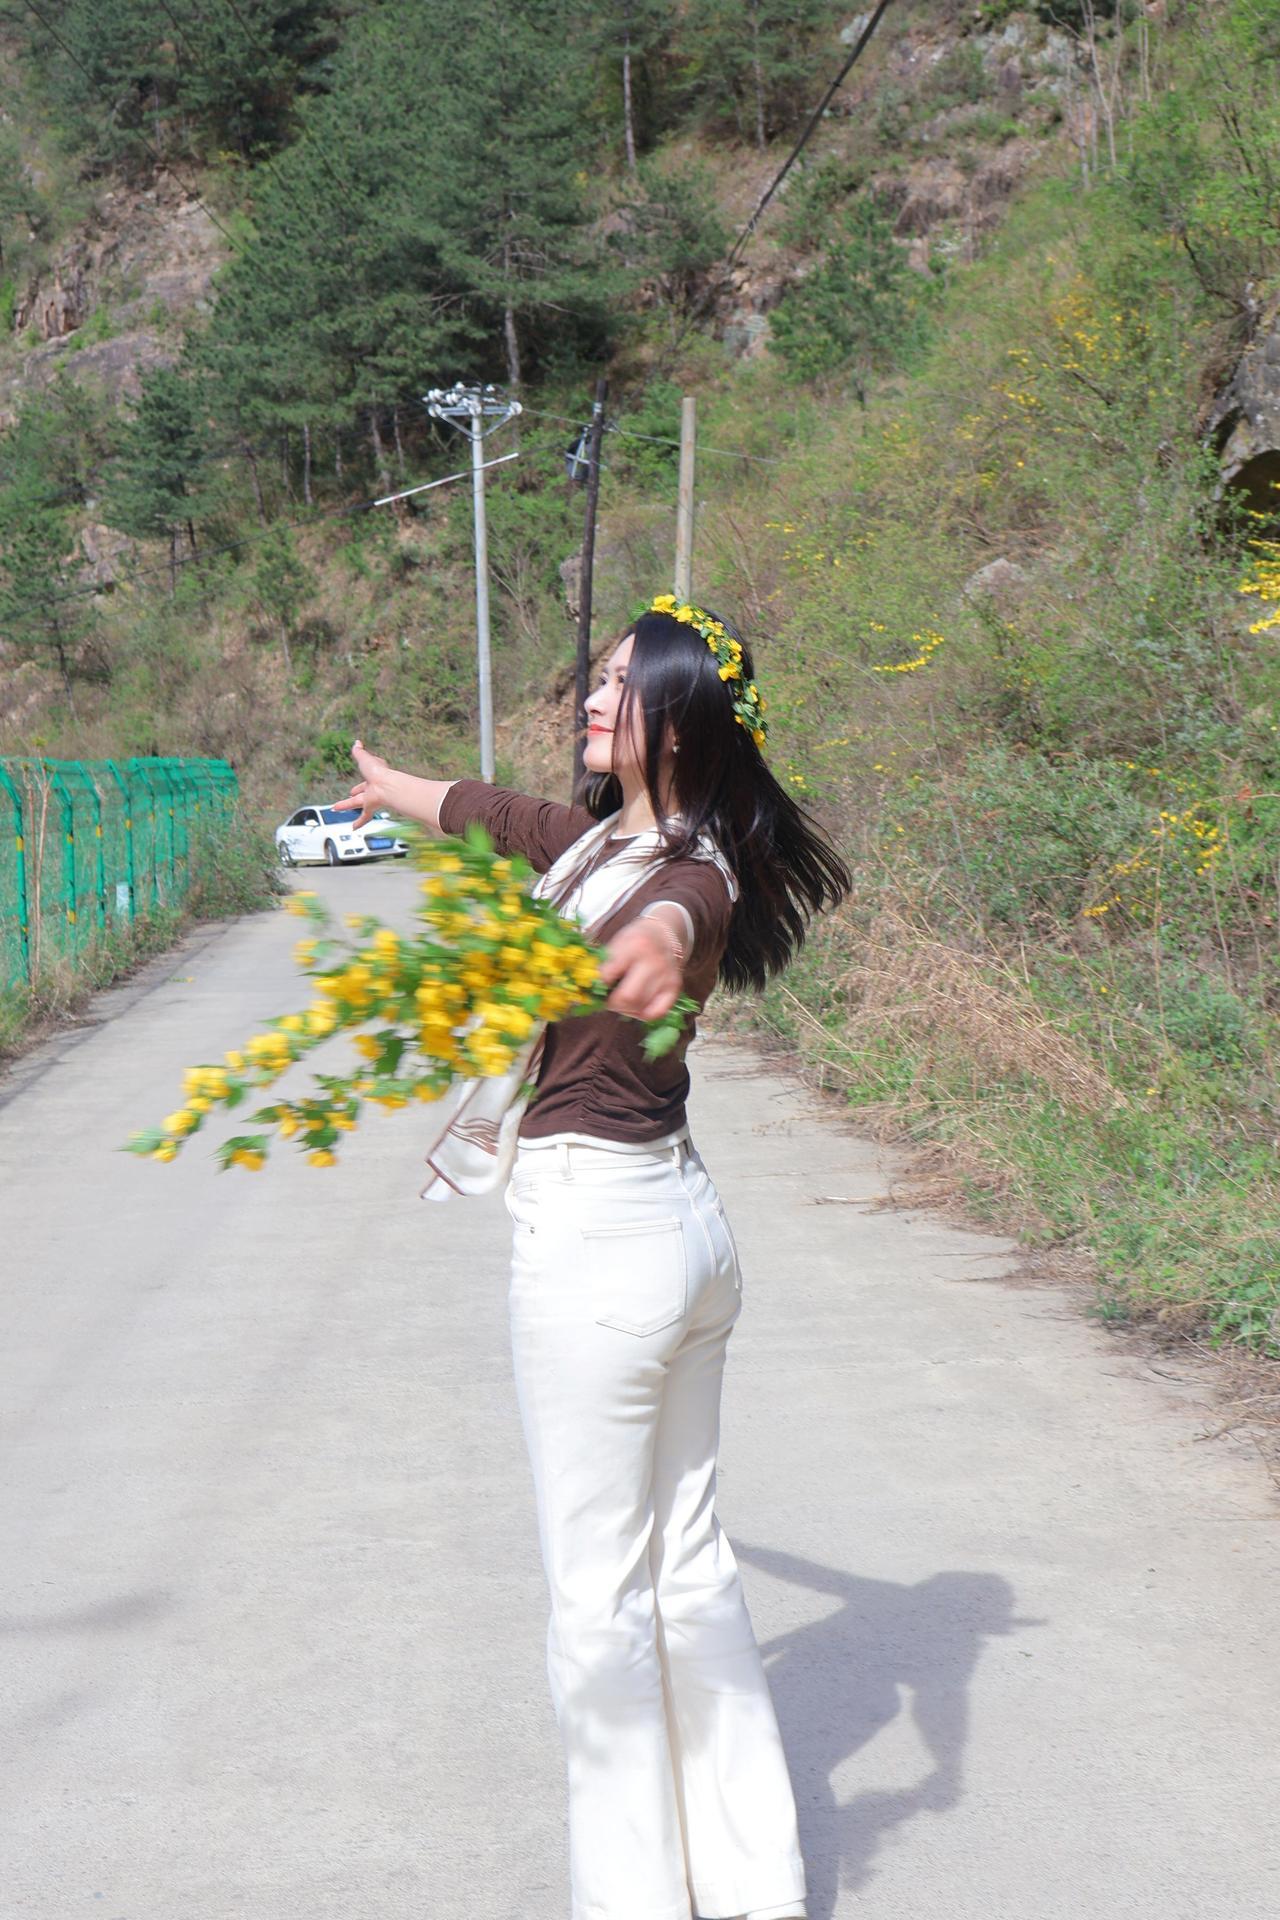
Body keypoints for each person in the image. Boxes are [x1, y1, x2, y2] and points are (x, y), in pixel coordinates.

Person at [338, 595, 852, 1920]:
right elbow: (501, 815)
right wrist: (397, 786)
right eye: (597, 678)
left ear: (682, 722)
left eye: (623, 687)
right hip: (679, 1244)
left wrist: (655, 957)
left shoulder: (683, 879)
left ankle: (632, 1900)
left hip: (600, 1256)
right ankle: (752, 1886)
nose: (591, 699)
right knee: (687, 1570)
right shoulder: (601, 847)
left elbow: (679, 924)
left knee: (598, 1604)